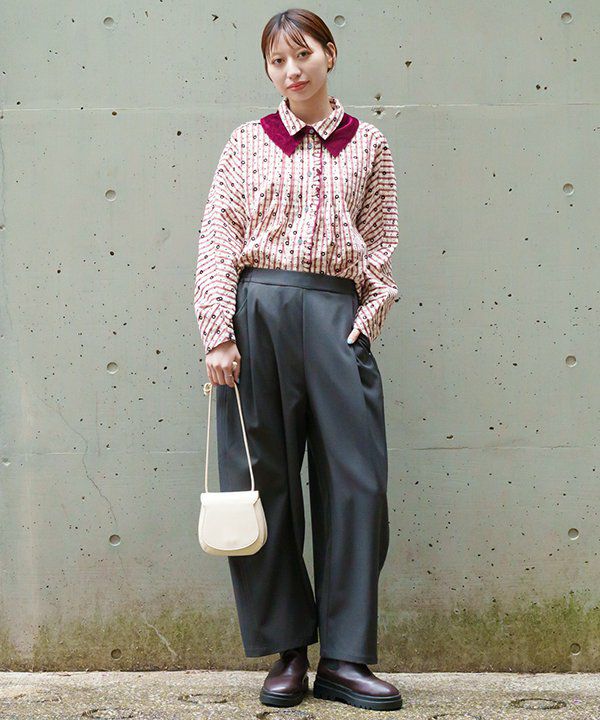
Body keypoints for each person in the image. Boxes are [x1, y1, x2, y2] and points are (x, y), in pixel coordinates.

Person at [194, 7, 402, 712]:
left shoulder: (369, 144)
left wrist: (364, 323)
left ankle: (345, 658)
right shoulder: (246, 143)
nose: (292, 71)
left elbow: (380, 241)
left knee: (356, 484)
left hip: (337, 314)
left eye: (303, 54)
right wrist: (218, 331)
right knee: (267, 481)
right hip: (258, 315)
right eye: (277, 61)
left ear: (329, 54)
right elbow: (218, 238)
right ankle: (288, 652)